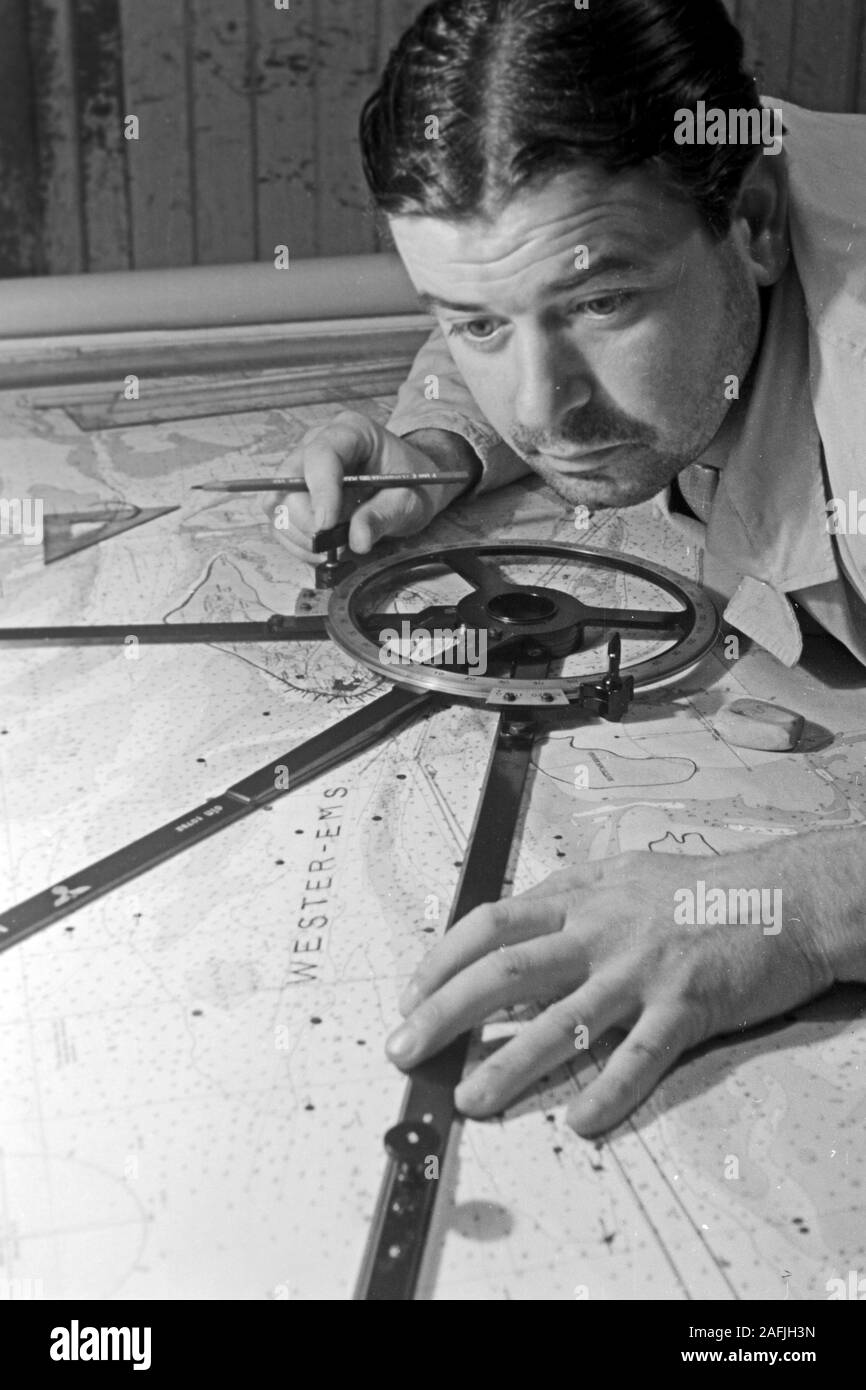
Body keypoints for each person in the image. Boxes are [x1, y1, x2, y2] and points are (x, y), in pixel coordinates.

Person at [270, 0, 866, 1136]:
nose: (542, 407)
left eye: (600, 306)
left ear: (750, 222)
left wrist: (787, 907)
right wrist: (442, 448)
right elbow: (522, 273)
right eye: (479, 326)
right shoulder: (682, 168)